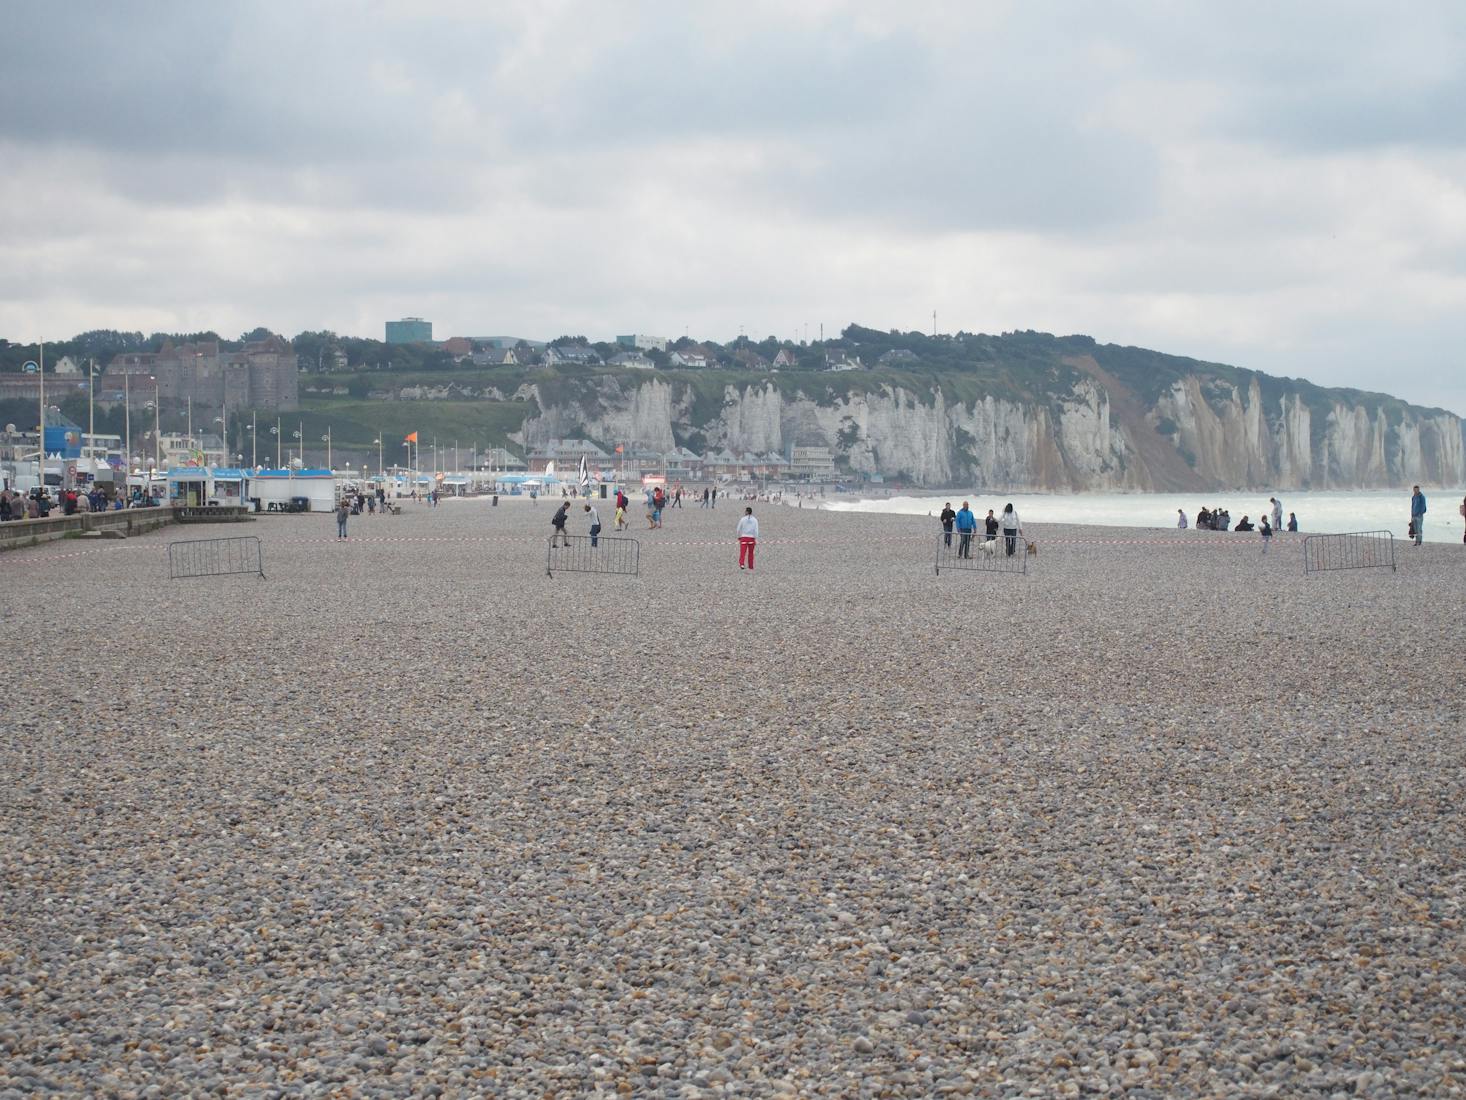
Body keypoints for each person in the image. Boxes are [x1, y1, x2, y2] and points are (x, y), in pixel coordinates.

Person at [736, 506, 759, 570]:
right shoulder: (755, 520)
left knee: (743, 552)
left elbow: (738, 529)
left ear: (747, 512)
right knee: (751, 553)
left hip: (744, 537)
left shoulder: (742, 519)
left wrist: (738, 536)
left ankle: (742, 564)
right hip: (751, 538)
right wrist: (755, 538)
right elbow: (756, 530)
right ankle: (751, 566)